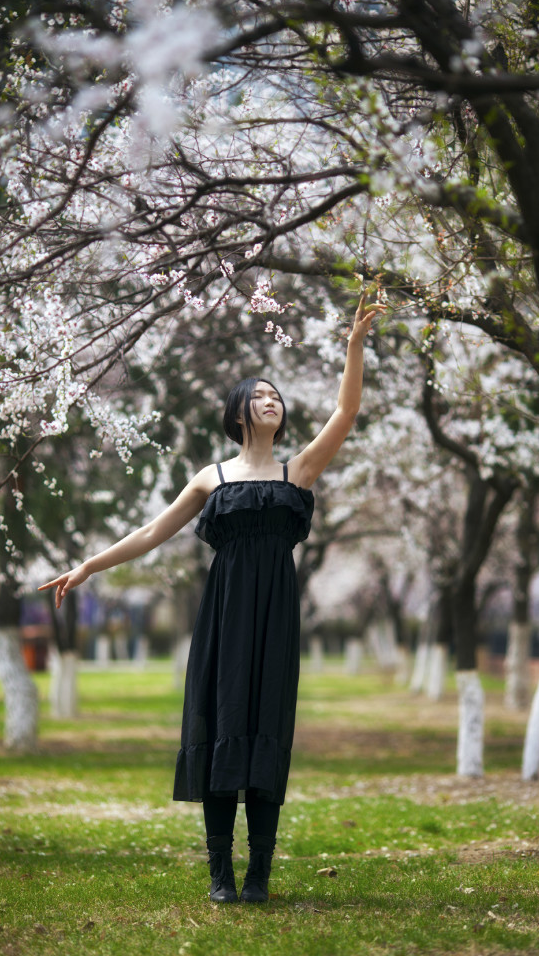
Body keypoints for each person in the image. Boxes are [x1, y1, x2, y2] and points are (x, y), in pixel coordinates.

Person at [39, 291, 385, 903]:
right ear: (238, 412)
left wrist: (354, 345)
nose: (272, 401)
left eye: (277, 396)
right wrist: (88, 565)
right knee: (223, 726)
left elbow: (346, 411)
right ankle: (221, 873)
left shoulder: (297, 471)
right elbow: (152, 532)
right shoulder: (212, 478)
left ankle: (259, 874)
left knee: (267, 731)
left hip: (276, 618)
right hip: (223, 618)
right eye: (261, 395)